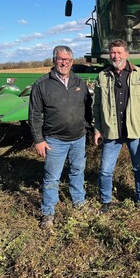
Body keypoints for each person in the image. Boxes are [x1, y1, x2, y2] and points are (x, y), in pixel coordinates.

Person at [29, 45, 92, 228]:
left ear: (72, 62)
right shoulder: (42, 84)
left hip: (78, 138)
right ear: (53, 60)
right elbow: (34, 114)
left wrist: (89, 130)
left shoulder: (79, 82)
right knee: (51, 177)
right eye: (60, 59)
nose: (64, 63)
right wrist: (38, 140)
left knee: (77, 171)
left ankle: (79, 203)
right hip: (55, 140)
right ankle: (48, 212)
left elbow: (87, 109)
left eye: (68, 60)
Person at [93, 39, 140, 212]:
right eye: (112, 52)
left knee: (139, 167)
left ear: (126, 54)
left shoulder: (139, 74)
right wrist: (97, 129)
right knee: (105, 170)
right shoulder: (102, 76)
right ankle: (106, 200)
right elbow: (96, 106)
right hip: (111, 131)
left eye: (119, 52)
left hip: (134, 130)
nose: (115, 55)